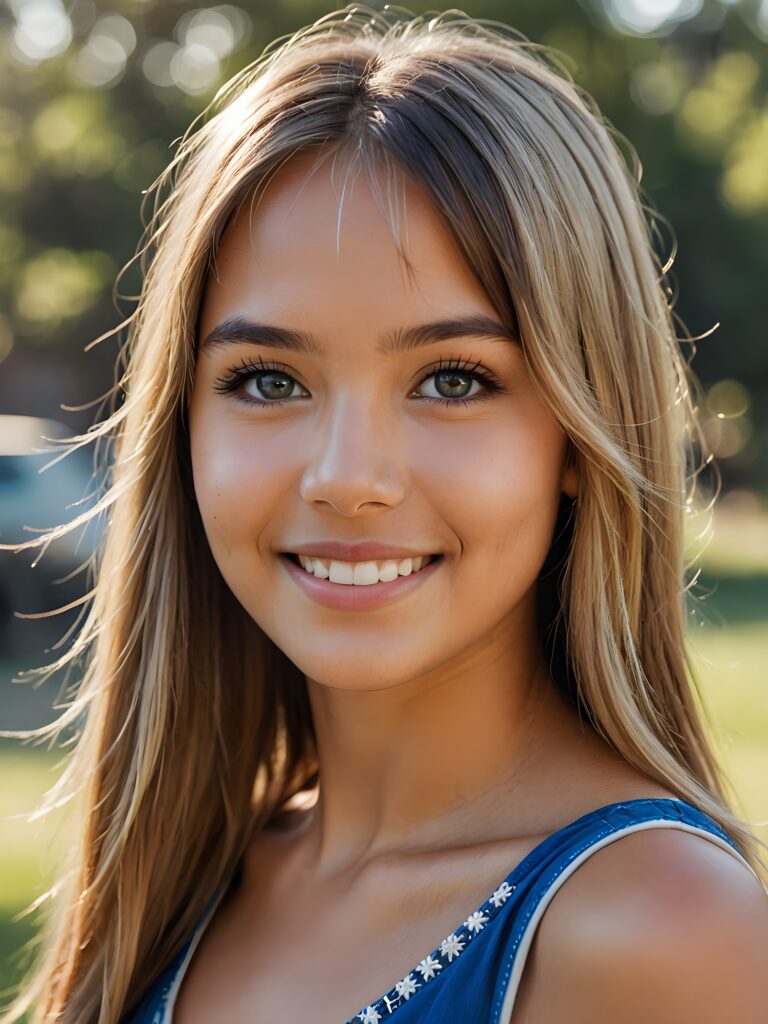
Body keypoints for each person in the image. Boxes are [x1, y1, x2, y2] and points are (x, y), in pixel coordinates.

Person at [3, 6, 767, 1024]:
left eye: (453, 378)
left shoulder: (659, 928)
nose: (346, 476)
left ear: (581, 438)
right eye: (269, 379)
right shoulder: (182, 885)